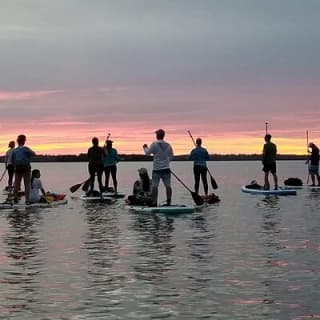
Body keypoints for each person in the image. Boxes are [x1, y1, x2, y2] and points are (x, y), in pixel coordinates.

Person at [143, 129, 174, 206]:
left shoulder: (154, 144)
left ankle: (154, 202)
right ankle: (169, 202)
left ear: (157, 136)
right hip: (166, 169)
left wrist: (145, 147)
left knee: (154, 186)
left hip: (157, 170)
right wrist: (166, 162)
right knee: (168, 186)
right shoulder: (169, 145)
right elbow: (171, 157)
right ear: (163, 136)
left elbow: (147, 153)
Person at [11, 134, 36, 204]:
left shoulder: (15, 150)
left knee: (16, 184)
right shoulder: (26, 149)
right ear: (24, 141)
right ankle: (27, 200)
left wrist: (15, 167)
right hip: (26, 168)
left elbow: (12, 161)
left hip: (17, 168)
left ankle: (15, 198)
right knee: (27, 184)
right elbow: (34, 154)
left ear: (17, 141)